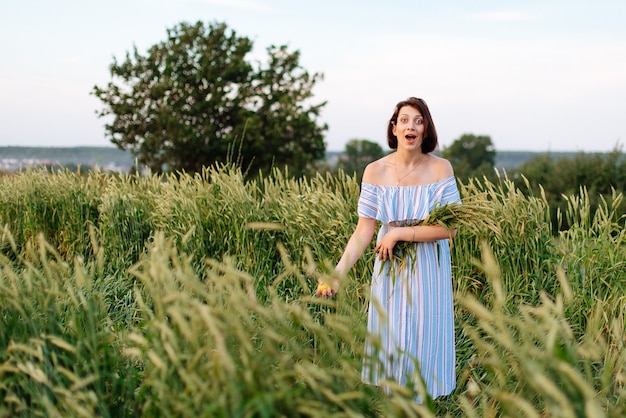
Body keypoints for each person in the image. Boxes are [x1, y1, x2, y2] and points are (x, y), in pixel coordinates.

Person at [317, 97, 460, 401]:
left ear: (426, 130)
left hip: (428, 268)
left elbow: (450, 229)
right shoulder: (375, 171)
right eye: (405, 120)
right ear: (394, 128)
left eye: (419, 120)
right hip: (390, 268)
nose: (412, 126)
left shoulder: (440, 169)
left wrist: (399, 234)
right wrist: (337, 273)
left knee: (423, 342)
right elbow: (364, 230)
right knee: (392, 340)